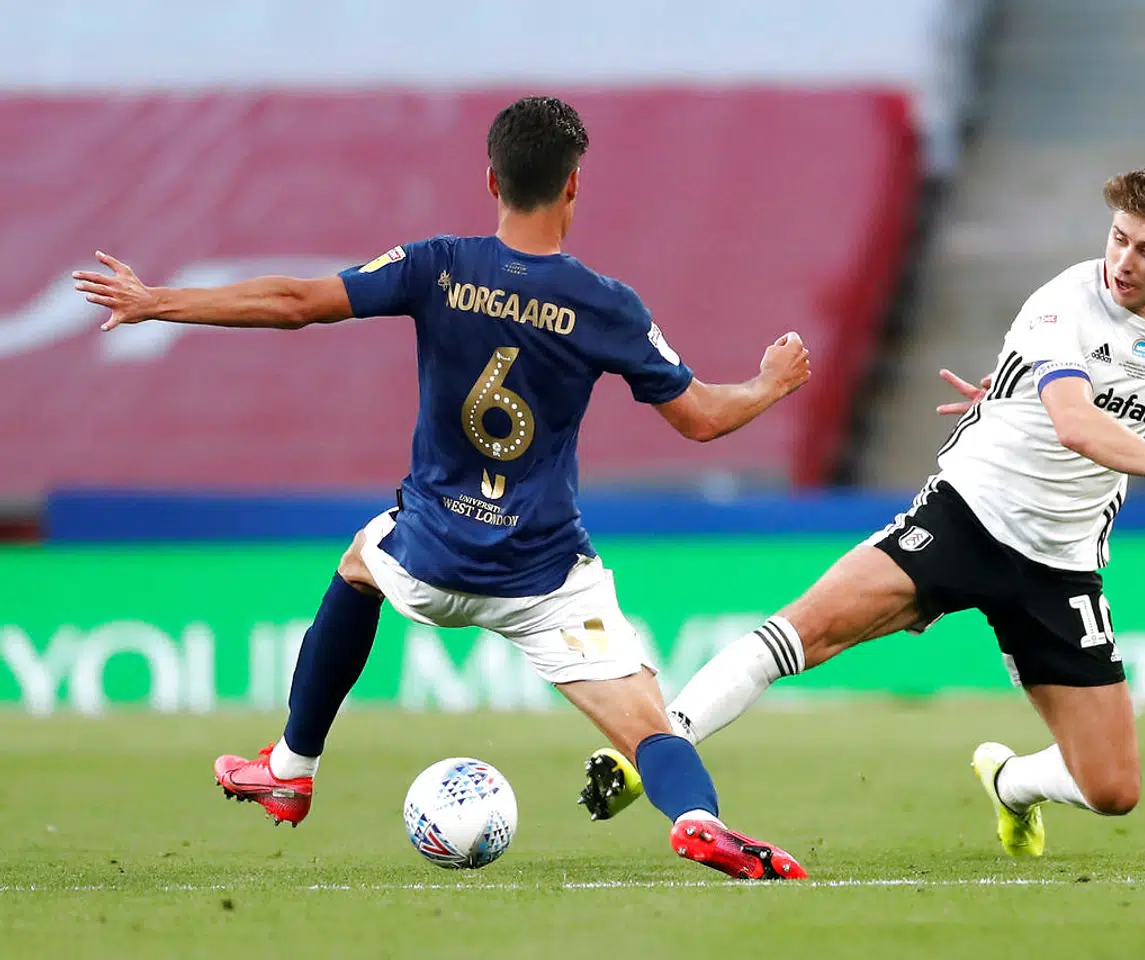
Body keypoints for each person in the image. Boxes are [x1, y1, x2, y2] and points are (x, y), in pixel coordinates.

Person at [74, 95, 811, 880]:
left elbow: (295, 303)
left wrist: (156, 302)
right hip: (544, 577)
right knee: (650, 729)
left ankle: (291, 768)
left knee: (361, 563)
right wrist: (769, 383)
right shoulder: (607, 305)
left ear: (491, 179)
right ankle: (697, 819)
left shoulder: (437, 265)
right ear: (574, 184)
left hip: (429, 556)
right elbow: (701, 419)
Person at [576, 163, 1145, 858]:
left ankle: (1011, 783)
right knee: (801, 632)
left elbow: (1103, 388)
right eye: (1118, 238)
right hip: (967, 516)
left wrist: (1008, 389)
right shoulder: (1065, 301)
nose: (1123, 261)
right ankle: (658, 749)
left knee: (1114, 789)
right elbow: (1076, 424)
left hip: (1061, 561)